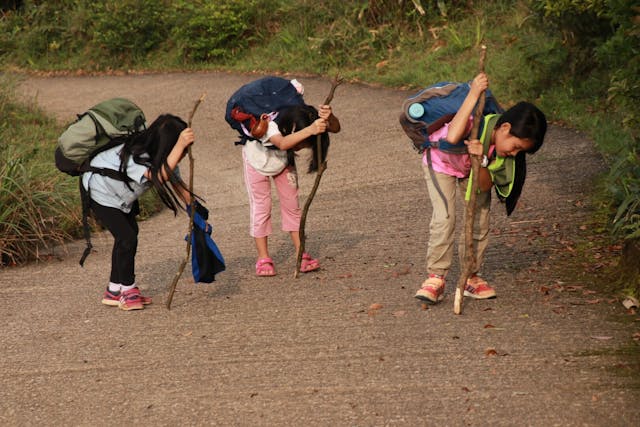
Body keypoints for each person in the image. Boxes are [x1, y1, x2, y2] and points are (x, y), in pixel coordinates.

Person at [415, 73, 547, 303]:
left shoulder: (504, 154)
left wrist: (482, 160)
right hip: (440, 163)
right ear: (505, 127)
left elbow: (485, 185)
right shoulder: (475, 120)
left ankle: (470, 276)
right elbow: (455, 135)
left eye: (521, 152)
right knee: (445, 217)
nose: (515, 154)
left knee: (479, 218)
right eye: (515, 146)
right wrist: (474, 92)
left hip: (472, 169)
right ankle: (436, 276)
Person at [82, 114, 195, 310]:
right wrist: (179, 146)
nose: (183, 154)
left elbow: (177, 183)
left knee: (128, 234)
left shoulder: (162, 157)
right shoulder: (136, 154)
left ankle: (114, 290)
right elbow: (160, 176)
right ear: (167, 145)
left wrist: (195, 210)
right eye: (181, 150)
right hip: (100, 191)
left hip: (120, 196)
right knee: (126, 237)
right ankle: (128, 289)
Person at [242, 91, 341, 277]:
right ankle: (263, 258)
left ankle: (300, 253)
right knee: (262, 207)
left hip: (283, 162)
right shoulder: (270, 124)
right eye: (302, 144)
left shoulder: (302, 118)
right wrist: (310, 130)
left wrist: (329, 117)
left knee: (292, 206)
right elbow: (283, 143)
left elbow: (335, 128)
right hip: (256, 161)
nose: (301, 148)